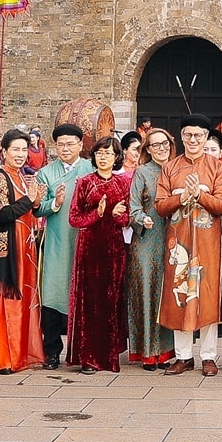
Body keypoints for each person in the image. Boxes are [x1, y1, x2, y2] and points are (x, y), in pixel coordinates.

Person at [157, 115, 222, 376]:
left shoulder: (217, 168)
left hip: (208, 242)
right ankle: (183, 356)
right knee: (179, 294)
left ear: (206, 137)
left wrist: (199, 195)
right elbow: (160, 206)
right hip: (179, 243)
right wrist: (182, 198)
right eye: (188, 135)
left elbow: (221, 205)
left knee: (207, 294)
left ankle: (209, 356)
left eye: (199, 135)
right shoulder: (170, 168)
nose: (193, 140)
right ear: (181, 137)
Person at [0, 130, 47, 374]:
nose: (20, 155)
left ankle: (20, 355)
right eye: (15, 150)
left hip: (25, 247)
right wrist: (30, 201)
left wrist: (41, 202)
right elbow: (0, 214)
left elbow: (30, 210)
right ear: (4, 152)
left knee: (24, 302)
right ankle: (3, 359)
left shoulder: (23, 178)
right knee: (6, 303)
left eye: (24, 150)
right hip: (8, 249)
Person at [67, 134, 131, 373]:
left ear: (116, 157)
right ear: (93, 156)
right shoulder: (84, 182)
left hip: (114, 249)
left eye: (109, 153)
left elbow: (126, 218)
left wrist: (115, 214)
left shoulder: (123, 183)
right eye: (100, 153)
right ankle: (88, 357)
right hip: (89, 248)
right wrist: (98, 212)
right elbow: (74, 218)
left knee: (111, 300)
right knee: (89, 301)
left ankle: (108, 353)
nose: (104, 158)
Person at [34, 123, 91, 368]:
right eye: (61, 144)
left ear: (80, 145)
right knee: (53, 292)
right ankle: (52, 351)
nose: (65, 148)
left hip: (85, 239)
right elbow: (37, 207)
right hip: (57, 239)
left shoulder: (91, 169)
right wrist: (54, 203)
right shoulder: (46, 173)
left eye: (70, 144)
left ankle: (81, 351)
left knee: (84, 295)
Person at [125, 129, 174, 369]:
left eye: (164, 143)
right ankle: (146, 351)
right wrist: (141, 218)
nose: (161, 148)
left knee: (167, 295)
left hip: (175, 239)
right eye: (155, 145)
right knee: (146, 293)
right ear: (148, 149)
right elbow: (133, 207)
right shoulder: (142, 173)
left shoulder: (178, 170)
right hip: (146, 241)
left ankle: (166, 351)